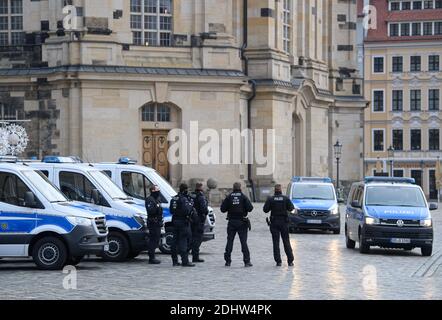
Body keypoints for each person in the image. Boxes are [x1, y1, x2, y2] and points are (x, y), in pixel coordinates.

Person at [220, 182, 254, 267]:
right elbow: (250, 208)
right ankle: (247, 261)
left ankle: (228, 261)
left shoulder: (229, 197)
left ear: (233, 188)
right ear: (240, 188)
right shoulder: (243, 197)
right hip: (242, 222)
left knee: (229, 241)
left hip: (231, 222)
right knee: (243, 242)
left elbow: (222, 209)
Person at [263, 184, 295, 267]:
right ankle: (290, 261)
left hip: (274, 223)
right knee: (286, 242)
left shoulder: (271, 199)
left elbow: (265, 210)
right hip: (284, 222)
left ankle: (278, 261)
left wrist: (269, 204)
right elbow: (291, 208)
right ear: (281, 190)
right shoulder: (285, 198)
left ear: (274, 190)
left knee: (276, 243)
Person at [170, 183, 195, 267]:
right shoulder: (183, 199)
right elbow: (187, 210)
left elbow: (171, 210)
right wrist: (190, 206)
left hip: (175, 221)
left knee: (174, 241)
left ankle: (174, 260)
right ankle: (185, 261)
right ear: (185, 190)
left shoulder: (174, 198)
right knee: (183, 241)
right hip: (182, 222)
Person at [190, 183, 209, 263]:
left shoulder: (191, 195)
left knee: (191, 237)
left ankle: (191, 255)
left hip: (191, 220)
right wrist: (206, 212)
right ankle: (195, 256)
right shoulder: (201, 196)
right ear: (201, 188)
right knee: (198, 238)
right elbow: (204, 208)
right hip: (199, 220)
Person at [145, 185, 163, 264]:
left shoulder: (157, 199)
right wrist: (157, 207)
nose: (158, 192)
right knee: (153, 239)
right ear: (153, 191)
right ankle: (151, 257)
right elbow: (151, 210)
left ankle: (153, 256)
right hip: (153, 222)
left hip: (158, 222)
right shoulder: (149, 199)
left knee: (156, 239)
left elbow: (159, 209)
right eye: (157, 190)